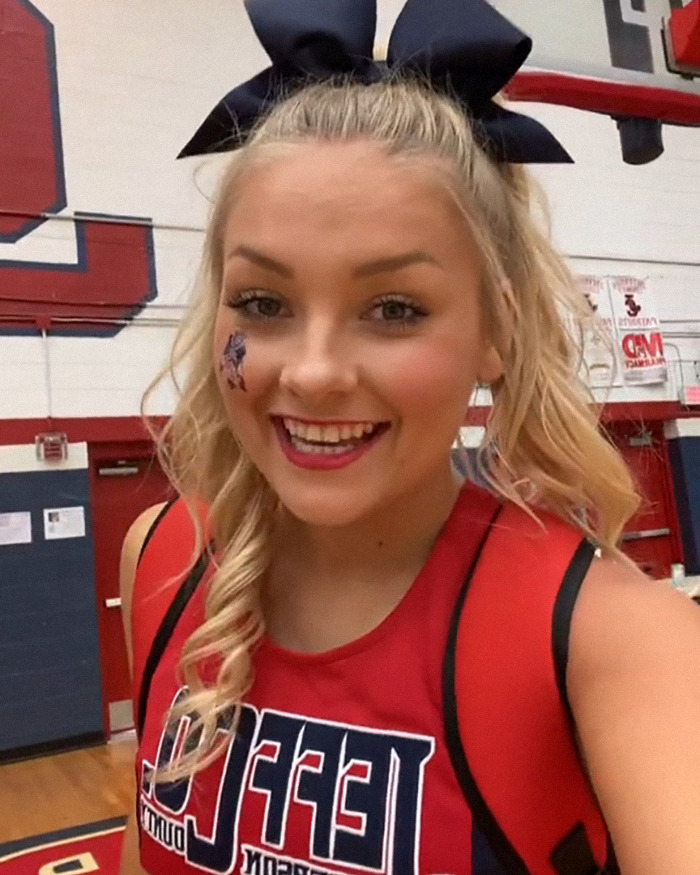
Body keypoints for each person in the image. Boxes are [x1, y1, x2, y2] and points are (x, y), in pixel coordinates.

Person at [119, 1, 700, 873]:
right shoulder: (158, 555)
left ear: (495, 332)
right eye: (263, 302)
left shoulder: (616, 640)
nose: (312, 373)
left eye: (394, 309)